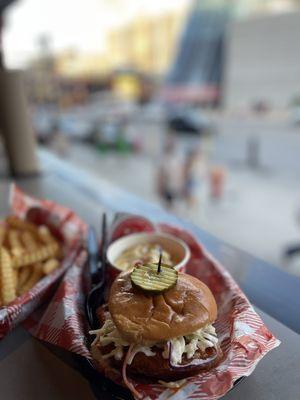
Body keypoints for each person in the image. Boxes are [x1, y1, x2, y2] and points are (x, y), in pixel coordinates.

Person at [157, 136, 183, 209]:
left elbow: (180, 173)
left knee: (173, 206)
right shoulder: (164, 157)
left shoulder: (177, 158)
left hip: (174, 186)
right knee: (166, 206)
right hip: (166, 186)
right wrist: (159, 186)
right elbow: (160, 173)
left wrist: (180, 185)